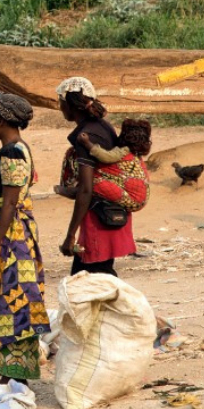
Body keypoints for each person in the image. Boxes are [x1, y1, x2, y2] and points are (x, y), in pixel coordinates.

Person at [0, 93, 50, 383]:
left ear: (0, 121)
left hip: (7, 242)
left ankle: (13, 376)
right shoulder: (18, 148)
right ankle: (6, 374)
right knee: (6, 302)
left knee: (10, 303)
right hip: (8, 238)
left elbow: (10, 203)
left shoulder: (12, 152)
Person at [55, 77, 136, 276]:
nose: (59, 107)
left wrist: (70, 235)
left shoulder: (86, 136)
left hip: (98, 219)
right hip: (111, 213)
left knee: (93, 279)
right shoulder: (103, 126)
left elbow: (86, 189)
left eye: (61, 102)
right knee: (96, 276)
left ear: (70, 104)